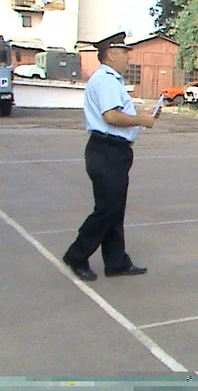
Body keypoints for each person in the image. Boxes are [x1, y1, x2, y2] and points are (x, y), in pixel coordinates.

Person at [63, 32, 159, 282]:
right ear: (112, 54)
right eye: (125, 53)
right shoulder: (105, 80)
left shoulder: (111, 80)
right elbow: (111, 117)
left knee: (114, 209)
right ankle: (77, 254)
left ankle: (116, 261)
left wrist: (140, 117)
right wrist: (143, 120)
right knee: (107, 209)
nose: (128, 58)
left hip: (113, 151)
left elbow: (118, 113)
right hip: (106, 150)